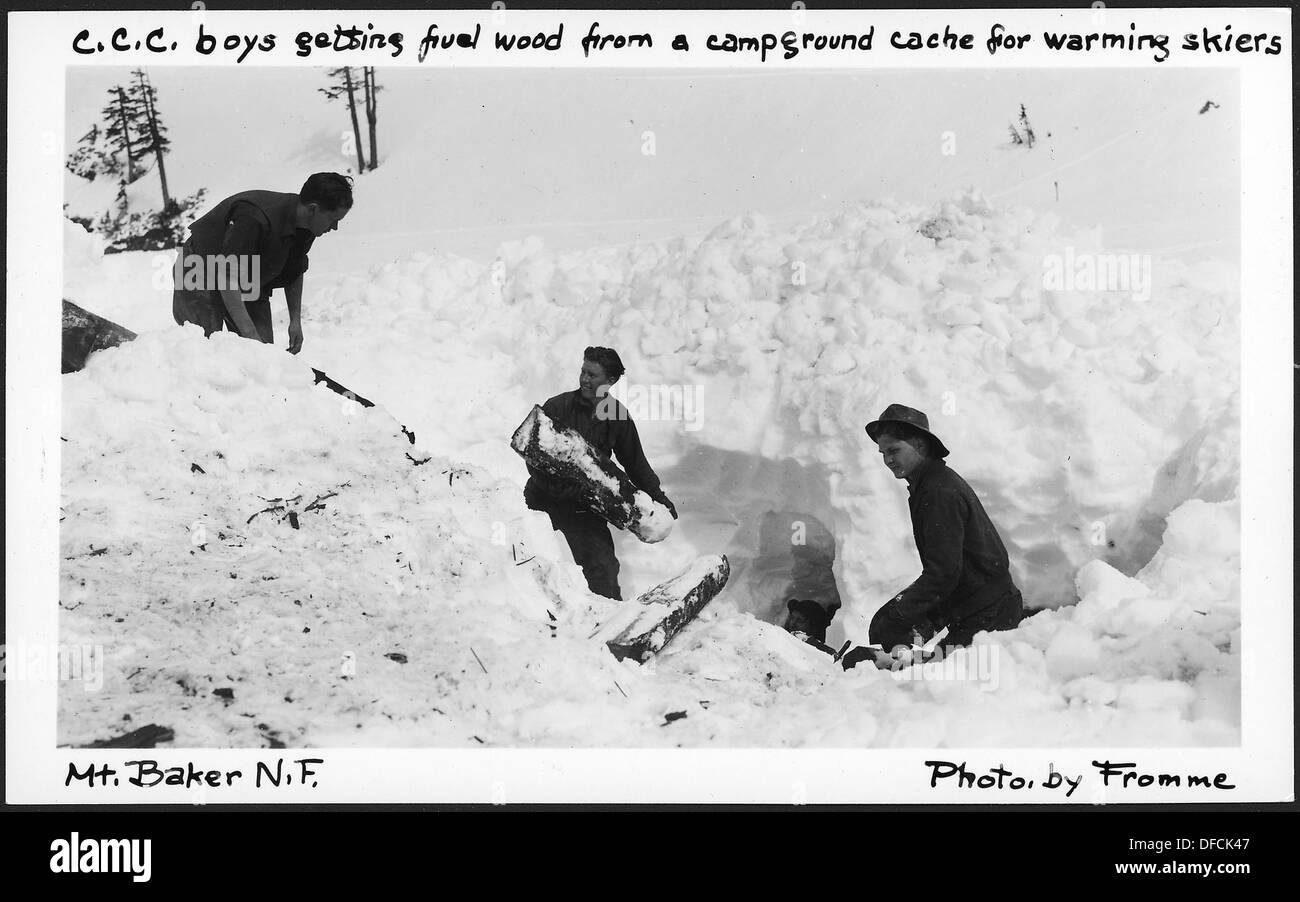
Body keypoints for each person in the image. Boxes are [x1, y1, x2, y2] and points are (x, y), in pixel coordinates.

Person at [853, 403, 1023, 667]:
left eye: (894, 450)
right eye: (883, 453)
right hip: (971, 600)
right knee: (889, 630)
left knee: (908, 649)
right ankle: (896, 666)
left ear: (920, 445)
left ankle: (894, 674)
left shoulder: (938, 492)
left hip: (989, 612)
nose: (887, 460)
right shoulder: (930, 483)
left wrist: (900, 614)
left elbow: (943, 574)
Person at [523, 347, 678, 600]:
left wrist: (658, 497)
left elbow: (635, 463)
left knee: (603, 571)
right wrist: (552, 487)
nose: (584, 379)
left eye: (592, 375)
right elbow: (532, 455)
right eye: (583, 371)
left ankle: (604, 628)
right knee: (536, 565)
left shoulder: (616, 415)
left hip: (583, 508)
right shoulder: (558, 406)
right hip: (541, 502)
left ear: (611, 381)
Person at [172, 172, 353, 353]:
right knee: (204, 347)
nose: (335, 227)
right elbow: (227, 278)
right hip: (200, 268)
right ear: (313, 209)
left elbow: (294, 271)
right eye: (333, 220)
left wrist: (295, 321)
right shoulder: (254, 217)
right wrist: (249, 333)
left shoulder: (307, 227)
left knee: (262, 356)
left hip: (246, 277)